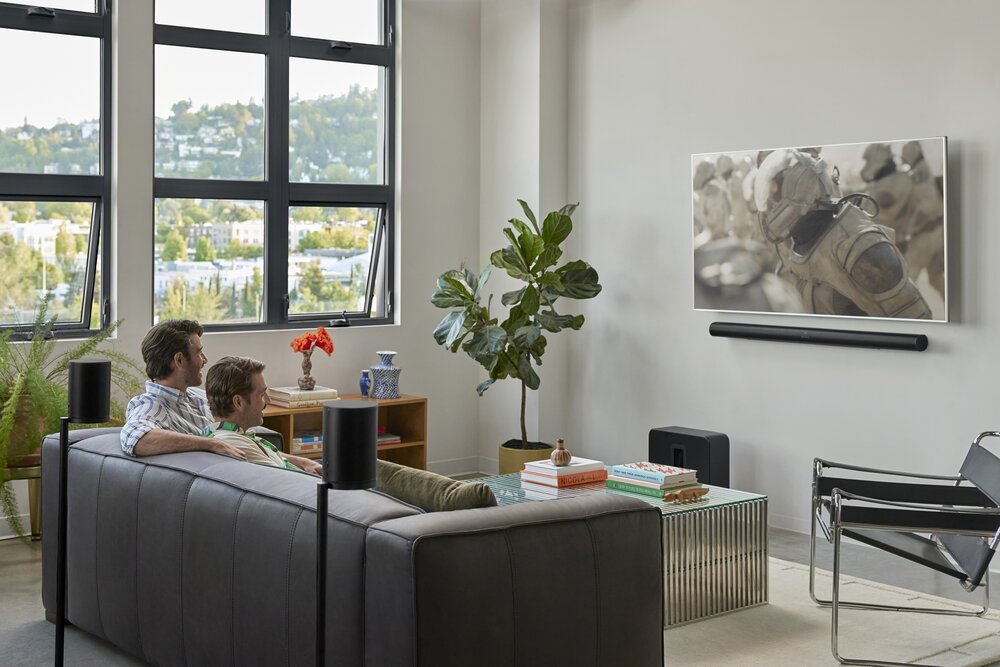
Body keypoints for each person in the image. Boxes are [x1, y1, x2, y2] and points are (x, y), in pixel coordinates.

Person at [752, 148, 931, 318]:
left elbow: (914, 321)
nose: (771, 206)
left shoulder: (860, 248)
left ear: (801, 187)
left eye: (776, 194)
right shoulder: (799, 241)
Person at [120, 319, 247, 459]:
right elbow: (136, 438)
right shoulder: (151, 404)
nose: (204, 360)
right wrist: (212, 444)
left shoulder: (198, 395)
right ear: (179, 360)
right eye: (199, 353)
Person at [203, 356, 322, 475]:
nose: (268, 400)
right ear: (239, 402)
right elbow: (285, 479)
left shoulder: (227, 434)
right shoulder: (233, 443)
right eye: (261, 394)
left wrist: (305, 463)